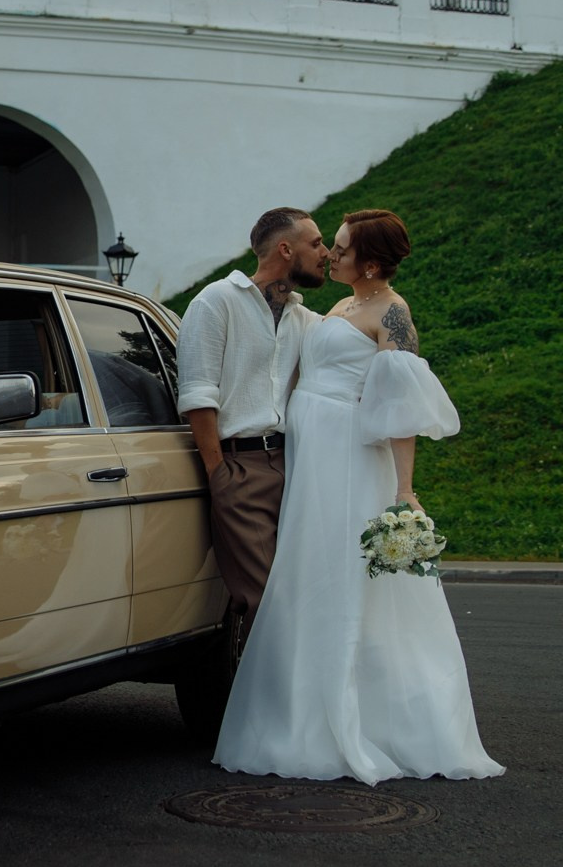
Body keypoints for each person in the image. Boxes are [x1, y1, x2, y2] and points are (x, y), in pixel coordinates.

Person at [213, 207, 503, 784]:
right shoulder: (342, 305)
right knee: (309, 569)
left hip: (348, 457)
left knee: (347, 577)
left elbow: (401, 408)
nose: (331, 255)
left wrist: (404, 489)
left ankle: (359, 718)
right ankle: (304, 706)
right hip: (312, 456)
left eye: (342, 248)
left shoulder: (392, 313)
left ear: (370, 263)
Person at [176, 207, 328, 655]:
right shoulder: (216, 301)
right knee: (266, 599)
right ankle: (267, 696)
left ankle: (276, 691)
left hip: (293, 467)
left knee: (301, 592)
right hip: (238, 467)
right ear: (286, 249)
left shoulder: (304, 318)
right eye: (316, 243)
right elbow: (198, 392)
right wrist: (219, 474)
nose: (324, 253)